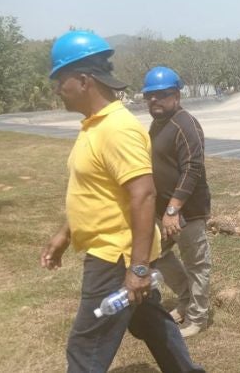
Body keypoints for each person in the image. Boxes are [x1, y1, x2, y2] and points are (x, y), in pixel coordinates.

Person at [40, 30, 204, 372]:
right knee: (151, 322)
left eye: (60, 80)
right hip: (117, 252)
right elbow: (96, 191)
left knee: (85, 347)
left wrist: (139, 268)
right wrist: (65, 232)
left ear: (84, 80)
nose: (57, 89)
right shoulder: (94, 126)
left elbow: (143, 195)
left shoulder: (118, 128)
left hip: (115, 256)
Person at [143, 66, 212, 338]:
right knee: (155, 254)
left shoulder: (186, 124)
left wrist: (173, 209)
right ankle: (186, 299)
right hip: (163, 210)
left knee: (197, 263)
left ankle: (197, 317)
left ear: (177, 95)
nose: (154, 100)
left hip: (187, 211)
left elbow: (192, 168)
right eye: (149, 95)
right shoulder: (158, 124)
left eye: (161, 94)